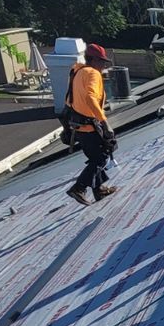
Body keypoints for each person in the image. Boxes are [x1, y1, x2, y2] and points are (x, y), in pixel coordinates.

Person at [61, 44, 118, 205]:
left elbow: (68, 100)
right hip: (89, 125)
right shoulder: (93, 74)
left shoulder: (77, 71)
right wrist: (104, 122)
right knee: (101, 158)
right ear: (92, 60)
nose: (103, 65)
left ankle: (99, 190)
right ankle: (78, 188)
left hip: (78, 125)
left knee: (95, 157)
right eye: (101, 61)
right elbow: (90, 98)